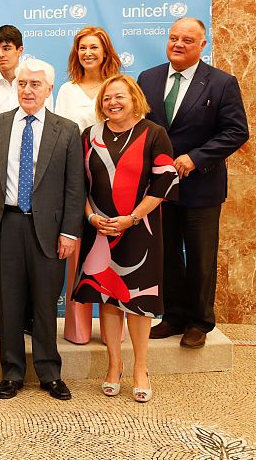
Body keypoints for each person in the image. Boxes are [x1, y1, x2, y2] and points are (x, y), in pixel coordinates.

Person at [138, 17, 249, 349]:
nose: (178, 44)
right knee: (167, 254)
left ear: (203, 45)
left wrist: (196, 158)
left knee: (201, 256)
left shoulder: (221, 83)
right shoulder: (148, 78)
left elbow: (236, 131)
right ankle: (172, 316)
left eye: (188, 40)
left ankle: (199, 322)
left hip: (201, 187)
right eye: (174, 38)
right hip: (160, 189)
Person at [73, 75, 179, 403]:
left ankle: (141, 369)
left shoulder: (154, 133)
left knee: (138, 301)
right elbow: (78, 185)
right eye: (107, 98)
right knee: (107, 297)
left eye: (119, 97)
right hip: (100, 230)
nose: (113, 103)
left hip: (140, 230)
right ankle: (114, 365)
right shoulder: (89, 135)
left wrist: (132, 218)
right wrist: (92, 218)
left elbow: (164, 183)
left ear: (134, 98)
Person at [0, 58, 84, 401]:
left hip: (49, 229)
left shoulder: (67, 130)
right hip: (6, 224)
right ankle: (11, 372)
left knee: (45, 303)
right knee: (9, 304)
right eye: (23, 83)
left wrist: (70, 232)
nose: (28, 90)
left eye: (36, 85)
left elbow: (75, 187)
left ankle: (49, 372)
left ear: (49, 89)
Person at [0, 25, 50, 341]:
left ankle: (28, 316)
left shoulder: (38, 80)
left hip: (33, 185)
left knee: (33, 255)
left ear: (19, 49)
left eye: (7, 48)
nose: (1, 55)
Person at [55, 26, 122, 345]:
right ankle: (78, 329)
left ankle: (113, 330)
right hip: (77, 179)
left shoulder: (118, 86)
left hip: (114, 181)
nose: (88, 53)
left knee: (114, 257)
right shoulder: (67, 91)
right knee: (78, 257)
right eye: (82, 48)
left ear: (105, 51)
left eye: (94, 47)